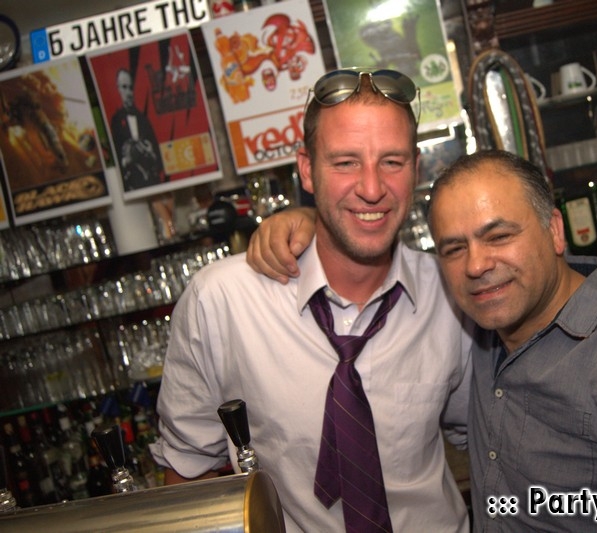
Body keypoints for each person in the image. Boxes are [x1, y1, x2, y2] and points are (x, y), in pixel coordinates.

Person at [251, 150, 597, 530]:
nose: (477, 265)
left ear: (555, 231)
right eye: (454, 248)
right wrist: (310, 223)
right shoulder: (484, 333)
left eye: (499, 235)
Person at [150, 69, 472, 533]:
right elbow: (187, 476)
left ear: (416, 168)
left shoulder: (453, 293)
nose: (372, 188)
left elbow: (491, 435)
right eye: (345, 162)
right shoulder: (222, 301)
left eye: (392, 161)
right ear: (306, 169)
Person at [110, 68, 164, 191]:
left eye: (131, 88)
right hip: (129, 185)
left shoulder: (143, 119)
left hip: (150, 183)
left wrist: (151, 153)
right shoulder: (116, 120)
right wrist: (127, 161)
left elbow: (159, 159)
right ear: (118, 89)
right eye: (124, 87)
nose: (129, 93)